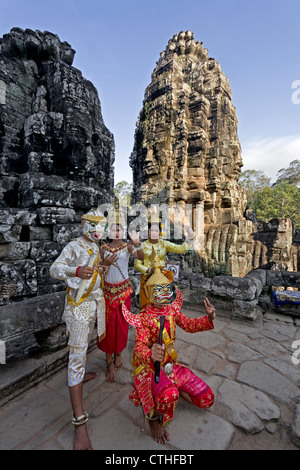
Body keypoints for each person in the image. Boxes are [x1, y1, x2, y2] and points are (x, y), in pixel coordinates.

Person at [122, 250, 216, 444]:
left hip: (170, 366)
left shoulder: (172, 310)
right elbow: (138, 347)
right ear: (149, 293)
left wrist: (208, 318)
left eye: (166, 289)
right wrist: (150, 353)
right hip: (150, 369)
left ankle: (174, 388)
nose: (164, 294)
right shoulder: (145, 317)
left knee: (207, 398)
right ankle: (154, 420)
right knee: (168, 395)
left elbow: (189, 325)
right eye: (158, 290)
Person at [50, 208, 110, 451]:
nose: (99, 231)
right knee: (76, 357)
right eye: (94, 226)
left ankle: (80, 375)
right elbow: (54, 270)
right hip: (79, 309)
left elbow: (92, 274)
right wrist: (75, 270)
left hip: (94, 305)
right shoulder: (74, 247)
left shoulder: (95, 247)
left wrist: (101, 267)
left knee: (84, 349)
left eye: (101, 227)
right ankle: (79, 424)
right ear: (84, 225)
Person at [97, 209, 144, 382]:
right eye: (113, 229)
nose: (116, 232)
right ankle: (108, 362)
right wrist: (104, 264)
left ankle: (118, 354)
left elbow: (141, 256)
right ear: (109, 232)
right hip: (107, 293)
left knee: (122, 327)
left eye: (119, 230)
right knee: (107, 328)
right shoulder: (103, 248)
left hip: (124, 292)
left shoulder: (127, 246)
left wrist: (137, 243)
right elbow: (97, 270)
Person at [134, 215, 195, 309]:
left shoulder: (164, 244)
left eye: (156, 230)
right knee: (147, 308)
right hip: (147, 281)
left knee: (162, 309)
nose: (154, 233)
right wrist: (148, 270)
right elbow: (137, 265)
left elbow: (181, 249)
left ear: (160, 232)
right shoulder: (143, 246)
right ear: (148, 232)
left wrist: (190, 236)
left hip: (162, 281)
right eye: (151, 230)